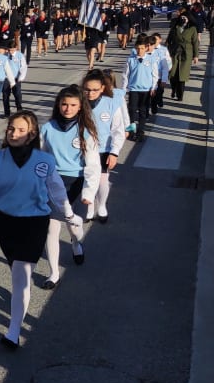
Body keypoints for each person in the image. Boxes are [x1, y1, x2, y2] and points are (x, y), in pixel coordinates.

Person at [0, 111, 79, 350]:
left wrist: (69, 214)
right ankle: (20, 302)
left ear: (32, 134)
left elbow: (57, 190)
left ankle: (13, 331)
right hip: (5, 222)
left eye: (21, 130)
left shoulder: (44, 161)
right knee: (17, 272)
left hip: (34, 222)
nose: (14, 133)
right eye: (11, 129)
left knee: (21, 274)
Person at [40, 85, 99, 290]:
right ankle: (54, 273)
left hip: (77, 183)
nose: (68, 108)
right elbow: (40, 157)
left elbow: (93, 165)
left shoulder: (86, 131)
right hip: (53, 182)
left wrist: (89, 192)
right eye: (64, 104)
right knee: (51, 228)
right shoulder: (47, 128)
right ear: (58, 104)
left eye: (73, 105)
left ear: (80, 106)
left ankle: (75, 243)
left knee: (74, 227)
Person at [82, 69, 126, 223]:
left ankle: (101, 206)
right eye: (87, 90)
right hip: (83, 149)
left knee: (102, 181)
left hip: (103, 150)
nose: (90, 93)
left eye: (95, 90)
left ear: (102, 88)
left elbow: (118, 130)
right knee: (86, 179)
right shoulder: (79, 103)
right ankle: (89, 208)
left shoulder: (111, 103)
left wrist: (114, 152)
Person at [122, 35, 158, 142]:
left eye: (142, 48)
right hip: (134, 89)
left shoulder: (151, 60)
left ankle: (140, 132)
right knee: (132, 110)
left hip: (146, 90)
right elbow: (125, 75)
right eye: (138, 48)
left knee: (143, 111)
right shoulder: (131, 60)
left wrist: (153, 87)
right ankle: (132, 131)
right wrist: (124, 89)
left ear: (146, 48)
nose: (140, 50)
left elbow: (155, 74)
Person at [166, 10, 200, 101]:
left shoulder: (192, 29)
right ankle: (173, 89)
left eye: (185, 18)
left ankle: (180, 95)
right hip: (174, 52)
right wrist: (165, 52)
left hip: (186, 54)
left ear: (188, 19)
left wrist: (196, 56)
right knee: (173, 73)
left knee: (182, 75)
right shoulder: (175, 27)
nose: (183, 19)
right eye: (181, 17)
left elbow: (195, 43)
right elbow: (168, 40)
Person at [2, 40, 28, 116]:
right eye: (9, 50)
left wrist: (21, 77)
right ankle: (7, 112)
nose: (10, 52)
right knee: (5, 95)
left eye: (12, 50)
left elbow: (23, 67)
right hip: (6, 78)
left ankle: (19, 110)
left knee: (17, 94)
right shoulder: (4, 56)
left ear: (16, 48)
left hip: (16, 78)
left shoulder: (20, 56)